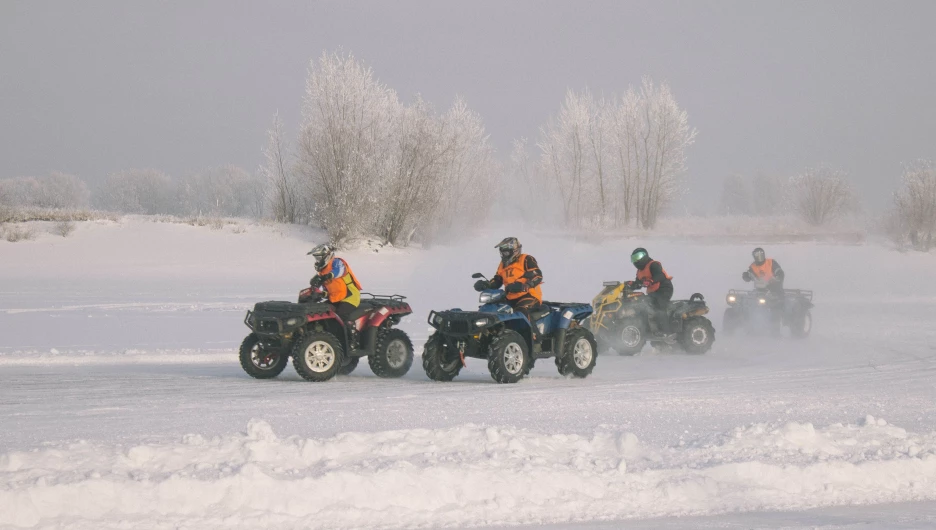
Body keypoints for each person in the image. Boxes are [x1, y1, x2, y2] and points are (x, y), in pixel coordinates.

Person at [474, 237, 544, 325]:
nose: (503, 255)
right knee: (493, 309)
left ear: (515, 251)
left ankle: (533, 335)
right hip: (509, 297)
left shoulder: (526, 259)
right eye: (502, 252)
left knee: (521, 310)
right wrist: (486, 284)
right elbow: (498, 280)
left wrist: (526, 285)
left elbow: (537, 275)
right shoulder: (502, 264)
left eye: (506, 252)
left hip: (529, 295)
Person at [308, 243, 362, 328]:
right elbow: (330, 290)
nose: (317, 261)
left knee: (339, 317)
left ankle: (347, 338)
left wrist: (329, 275)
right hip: (336, 299)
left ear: (326, 256)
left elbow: (340, 271)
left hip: (350, 298)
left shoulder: (337, 262)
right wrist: (320, 293)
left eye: (319, 258)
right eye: (316, 258)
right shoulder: (322, 271)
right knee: (321, 312)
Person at [630, 247, 674, 334]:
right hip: (653, 293)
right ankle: (651, 329)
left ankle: (667, 332)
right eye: (633, 258)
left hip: (664, 289)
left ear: (644, 256)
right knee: (643, 303)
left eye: (638, 257)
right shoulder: (639, 271)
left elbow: (660, 276)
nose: (636, 260)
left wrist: (651, 280)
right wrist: (630, 285)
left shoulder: (653, 265)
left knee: (659, 307)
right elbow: (638, 283)